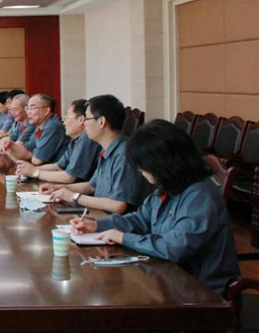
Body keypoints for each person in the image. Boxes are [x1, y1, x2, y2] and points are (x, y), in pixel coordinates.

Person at [70, 119, 239, 297]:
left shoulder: (200, 196)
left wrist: (123, 238)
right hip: (169, 281)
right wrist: (97, 225)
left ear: (163, 163)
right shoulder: (169, 187)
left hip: (201, 292)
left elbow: (175, 247)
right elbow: (140, 219)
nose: (141, 172)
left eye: (143, 166)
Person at [43, 94, 150, 214]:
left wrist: (74, 196)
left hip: (116, 222)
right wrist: (58, 188)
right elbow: (91, 186)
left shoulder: (124, 154)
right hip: (100, 216)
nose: (84, 124)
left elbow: (118, 205)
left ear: (101, 122)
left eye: (87, 119)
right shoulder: (106, 149)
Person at [16, 99, 100, 183]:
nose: (64, 123)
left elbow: (69, 177)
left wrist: (35, 172)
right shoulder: (75, 140)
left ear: (81, 120)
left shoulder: (86, 138)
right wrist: (28, 170)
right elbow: (58, 166)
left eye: (67, 117)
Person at [1, 93, 68, 164]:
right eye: (27, 108)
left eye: (32, 108)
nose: (28, 113)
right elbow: (26, 153)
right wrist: (10, 144)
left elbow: (37, 160)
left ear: (46, 111)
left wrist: (32, 154)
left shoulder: (52, 126)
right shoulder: (39, 127)